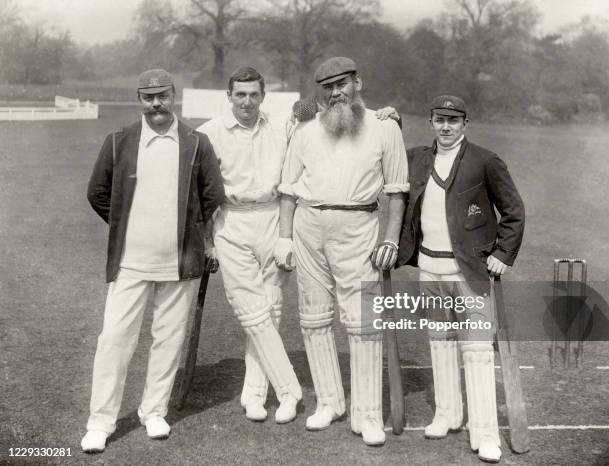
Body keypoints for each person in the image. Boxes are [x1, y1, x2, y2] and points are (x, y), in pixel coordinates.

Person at [82, 69, 225, 453]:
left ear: (173, 96)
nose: (156, 103)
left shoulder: (198, 142)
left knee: (168, 339)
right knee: (114, 339)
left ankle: (154, 411)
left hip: (181, 262)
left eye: (162, 95)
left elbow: (212, 195)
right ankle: (100, 421)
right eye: (148, 97)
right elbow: (98, 192)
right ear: (139, 100)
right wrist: (129, 226)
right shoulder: (119, 141)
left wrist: (190, 234)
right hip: (131, 263)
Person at [276, 57, 409, 446]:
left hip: (359, 228)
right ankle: (329, 401)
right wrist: (284, 238)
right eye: (328, 87)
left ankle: (367, 414)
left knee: (363, 322)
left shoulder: (385, 129)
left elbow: (398, 192)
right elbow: (287, 190)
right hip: (308, 225)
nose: (336, 93)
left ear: (358, 83)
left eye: (343, 84)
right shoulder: (305, 132)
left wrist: (390, 239)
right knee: (314, 318)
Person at [395, 95, 525, 462]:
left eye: (453, 120)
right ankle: (448, 414)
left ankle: (485, 435)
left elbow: (514, 210)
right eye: (440, 119)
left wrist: (502, 254)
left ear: (465, 123)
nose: (446, 126)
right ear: (431, 121)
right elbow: (384, 158)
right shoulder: (418, 157)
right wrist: (389, 120)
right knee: (440, 344)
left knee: (479, 352)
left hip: (470, 272)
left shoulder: (485, 160)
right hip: (429, 268)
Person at [196, 67, 303, 424]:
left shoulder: (280, 127)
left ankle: (254, 394)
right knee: (251, 310)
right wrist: (206, 239)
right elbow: (196, 189)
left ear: (263, 97)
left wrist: (384, 117)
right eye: (239, 95)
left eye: (253, 94)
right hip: (231, 220)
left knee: (271, 308)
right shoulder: (208, 133)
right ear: (229, 97)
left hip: (274, 218)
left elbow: (319, 121)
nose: (246, 101)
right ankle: (289, 389)